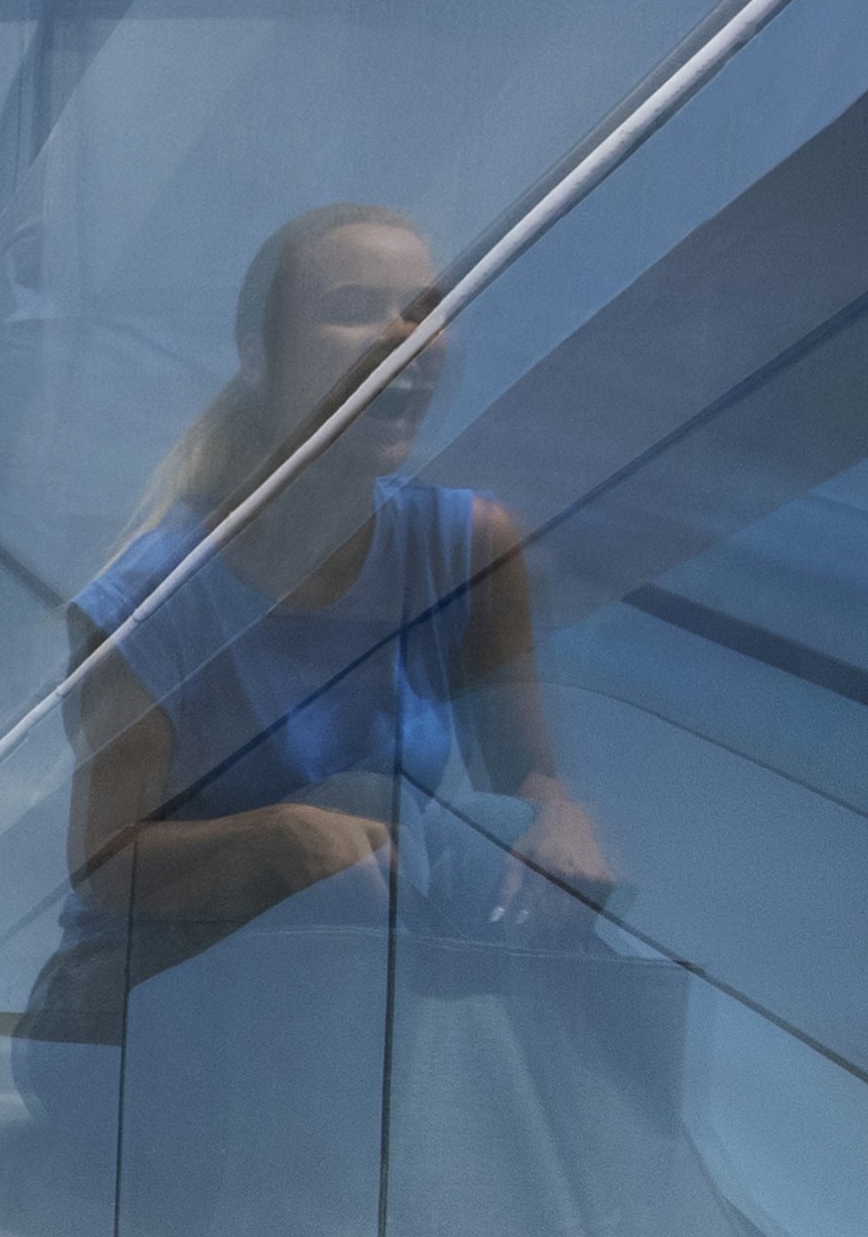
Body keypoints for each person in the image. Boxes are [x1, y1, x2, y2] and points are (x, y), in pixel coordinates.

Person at [63, 200, 619, 983]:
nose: (405, 338)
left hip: (357, 971)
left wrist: (563, 818)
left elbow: (524, 781)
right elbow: (104, 869)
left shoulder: (470, 548)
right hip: (146, 994)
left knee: (486, 842)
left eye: (424, 312)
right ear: (260, 355)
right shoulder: (157, 597)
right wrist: (278, 840)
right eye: (355, 310)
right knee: (367, 801)